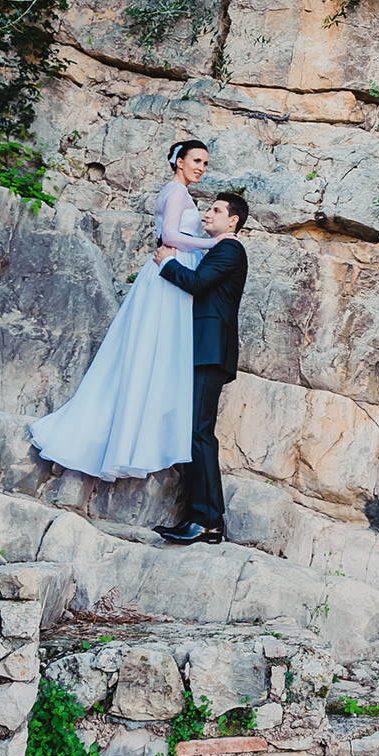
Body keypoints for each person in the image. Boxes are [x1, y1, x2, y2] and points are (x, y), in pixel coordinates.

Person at [26, 139, 219, 479]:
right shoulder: (176, 192)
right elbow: (171, 235)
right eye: (196, 160)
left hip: (174, 271)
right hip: (169, 272)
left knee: (154, 352)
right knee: (150, 351)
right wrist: (211, 243)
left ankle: (138, 437)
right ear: (179, 162)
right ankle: (128, 439)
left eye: (205, 162)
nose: (201, 167)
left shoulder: (181, 193)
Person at [151, 190, 249, 545]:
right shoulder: (218, 250)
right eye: (207, 208)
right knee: (193, 430)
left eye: (216, 210)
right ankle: (203, 518)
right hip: (201, 350)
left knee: (197, 431)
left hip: (210, 351)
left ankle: (207, 520)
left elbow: (196, 284)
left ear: (232, 220)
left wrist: (166, 262)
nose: (207, 214)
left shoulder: (230, 249)